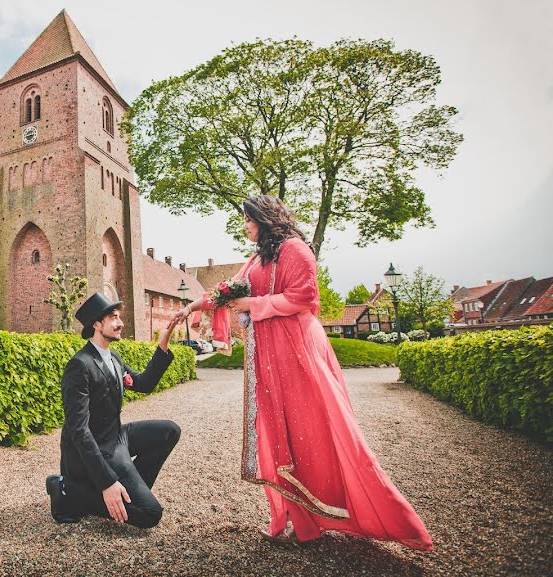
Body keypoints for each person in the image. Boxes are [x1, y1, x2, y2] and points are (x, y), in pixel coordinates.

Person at [173, 195, 434, 550]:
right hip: (268, 359)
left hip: (297, 353)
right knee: (281, 434)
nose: (245, 226)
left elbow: (303, 297)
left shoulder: (296, 250)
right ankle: (300, 518)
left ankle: (349, 511)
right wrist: (189, 306)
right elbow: (224, 292)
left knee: (311, 430)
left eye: (249, 220)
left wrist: (254, 305)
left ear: (264, 219)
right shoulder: (256, 259)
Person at [45, 292, 182, 528]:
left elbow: (144, 384)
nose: (120, 323)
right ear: (96, 324)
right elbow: (79, 430)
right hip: (98, 446)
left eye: (119, 317)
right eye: (113, 318)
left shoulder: (114, 358)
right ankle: (66, 490)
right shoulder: (79, 365)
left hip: (117, 436)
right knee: (150, 514)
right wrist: (107, 482)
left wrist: (164, 341)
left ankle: (127, 491)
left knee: (170, 431)